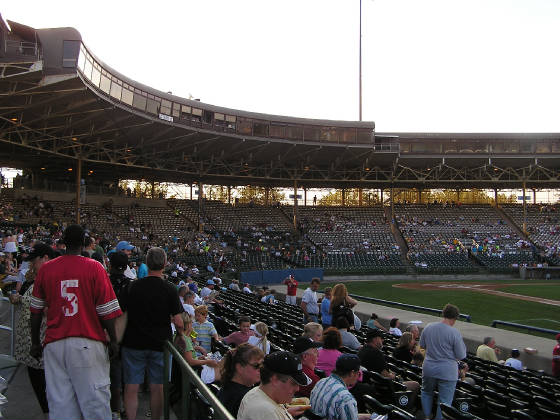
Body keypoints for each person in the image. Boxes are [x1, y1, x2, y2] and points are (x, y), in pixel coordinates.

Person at [30, 224, 122, 420]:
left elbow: (36, 311)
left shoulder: (46, 269)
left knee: (61, 408)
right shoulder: (95, 267)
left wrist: (35, 342)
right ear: (83, 243)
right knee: (95, 405)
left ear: (63, 242)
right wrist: (113, 340)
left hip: (54, 344)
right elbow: (106, 311)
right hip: (87, 342)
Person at [120, 247, 184, 420]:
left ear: (147, 263)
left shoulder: (132, 286)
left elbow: (120, 315)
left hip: (132, 343)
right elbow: (178, 321)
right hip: (160, 345)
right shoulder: (170, 288)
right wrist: (181, 336)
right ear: (164, 264)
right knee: (158, 387)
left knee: (131, 387)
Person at [9, 242, 55, 415]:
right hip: (30, 348)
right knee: (39, 386)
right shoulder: (34, 278)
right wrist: (19, 298)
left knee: (46, 388)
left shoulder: (50, 278)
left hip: (41, 345)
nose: (31, 264)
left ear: (45, 258)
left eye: (34, 260)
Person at [420, 303, 467, 420]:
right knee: (445, 401)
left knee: (426, 392)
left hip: (429, 367)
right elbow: (461, 355)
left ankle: (426, 417)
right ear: (455, 318)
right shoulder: (454, 332)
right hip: (447, 371)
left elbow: (422, 345)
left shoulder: (429, 327)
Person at [237, 351, 310, 420]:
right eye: (293, 383)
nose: (297, 389)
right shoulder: (267, 412)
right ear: (275, 380)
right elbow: (267, 414)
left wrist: (286, 413)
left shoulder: (256, 392)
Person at [358, 329, 419, 398]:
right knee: (415, 385)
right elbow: (385, 376)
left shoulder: (362, 350)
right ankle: (407, 407)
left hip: (374, 384)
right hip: (384, 388)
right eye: (381, 338)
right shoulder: (376, 353)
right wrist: (393, 376)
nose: (383, 340)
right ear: (375, 339)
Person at [108, 251, 131, 418]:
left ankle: (111, 408)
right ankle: (117, 409)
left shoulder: (102, 281)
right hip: (124, 336)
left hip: (102, 333)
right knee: (120, 375)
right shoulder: (131, 285)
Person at [311, 354, 371, 420]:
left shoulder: (321, 382)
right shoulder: (346, 399)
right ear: (352, 373)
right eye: (358, 373)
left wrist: (368, 416)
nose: (358, 377)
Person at [217, 343, 264, 417]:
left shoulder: (227, 385)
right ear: (239, 367)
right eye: (256, 366)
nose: (261, 369)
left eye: (262, 364)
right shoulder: (246, 399)